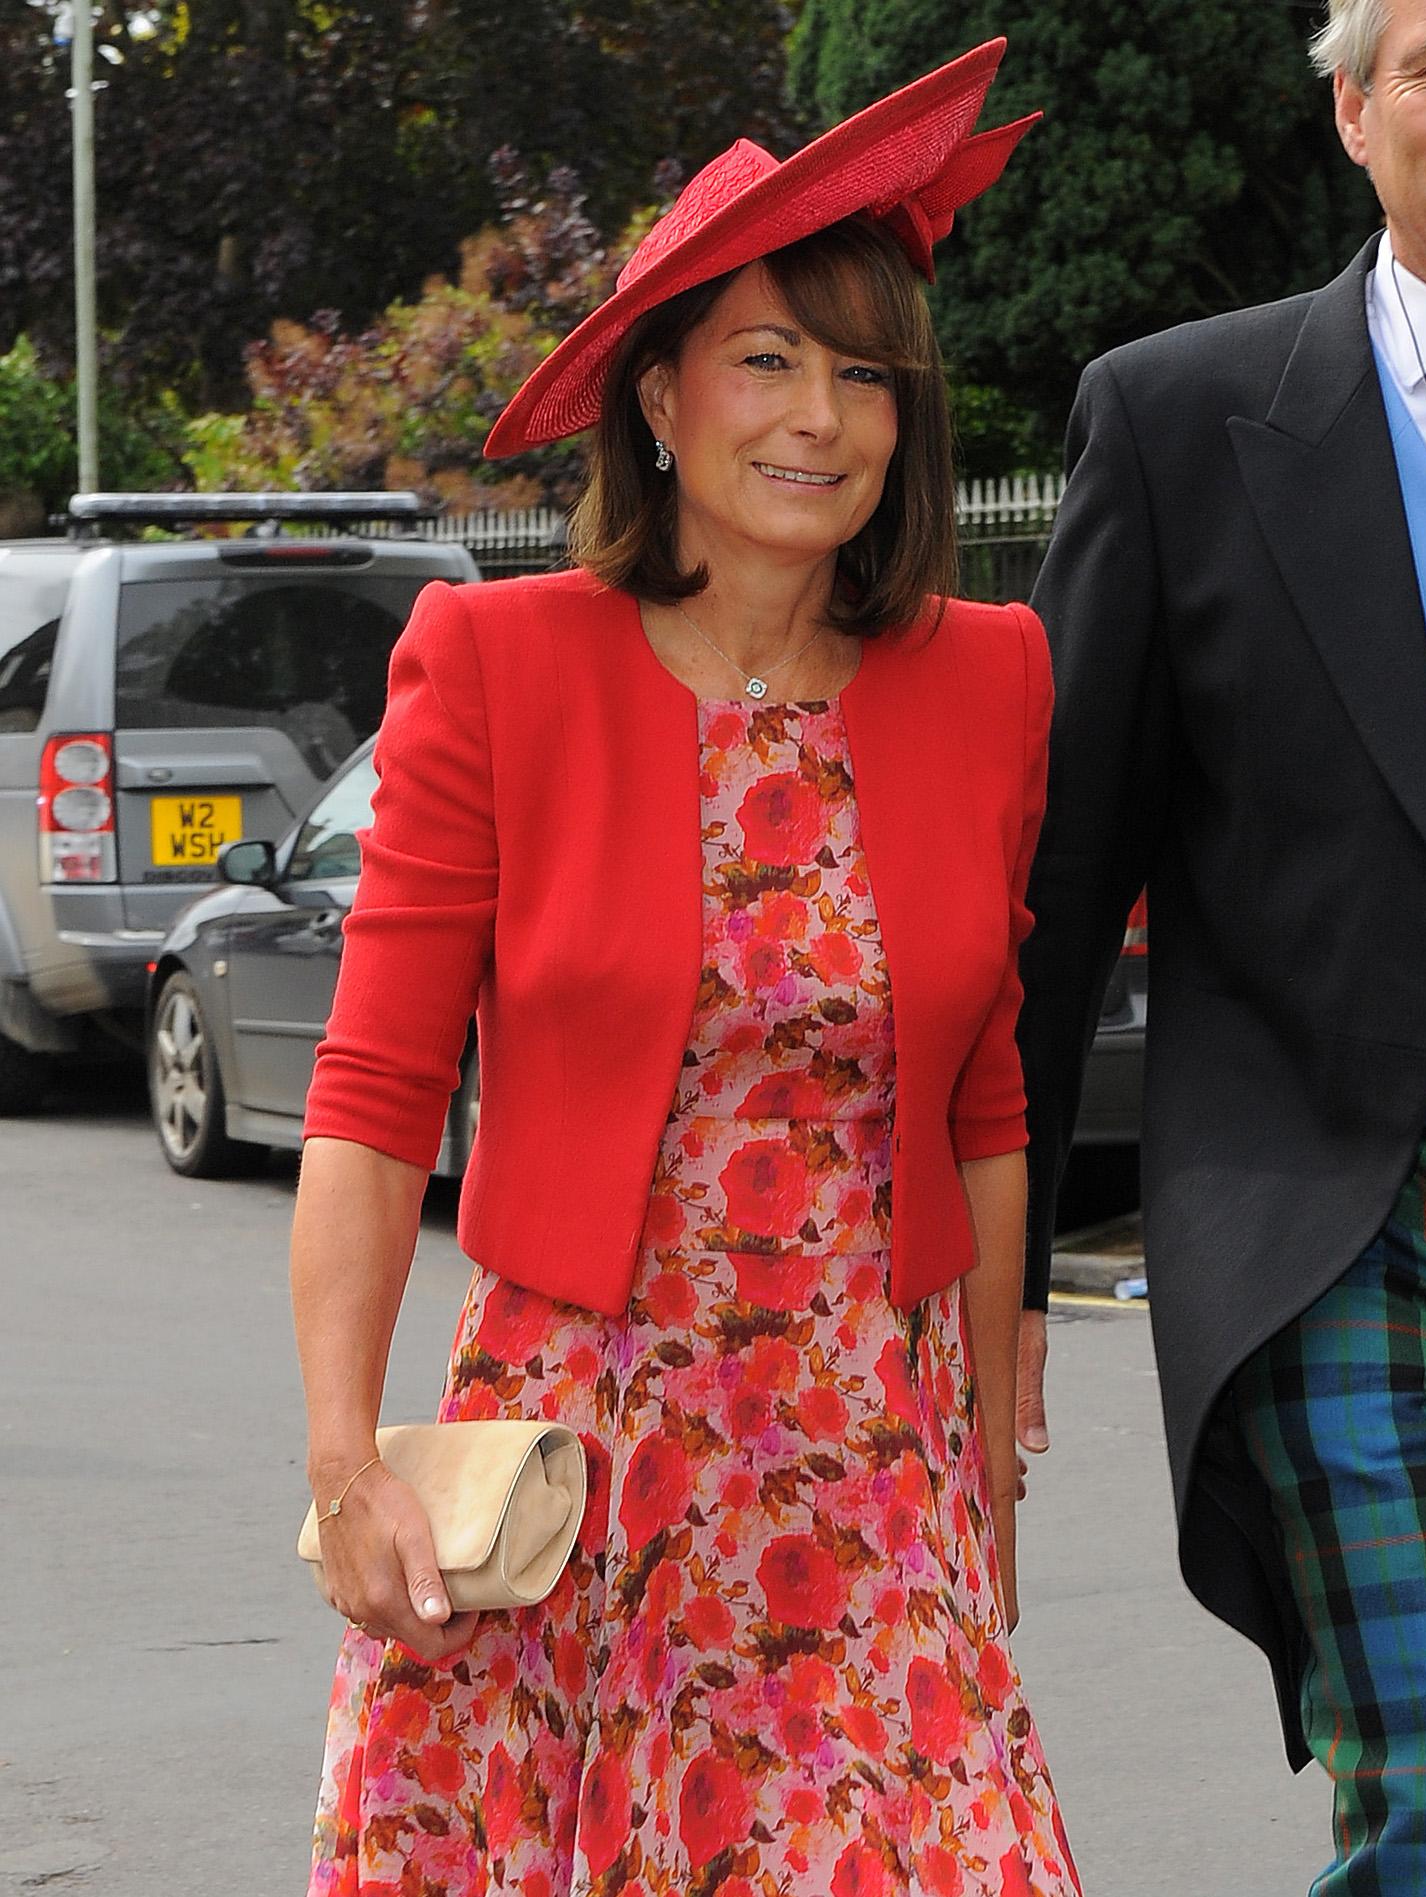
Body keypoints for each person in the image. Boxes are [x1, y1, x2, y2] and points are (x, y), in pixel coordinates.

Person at [292, 40, 1081, 1897]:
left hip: (870, 1486)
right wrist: (346, 1461)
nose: (822, 415)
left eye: (867, 371)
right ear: (658, 398)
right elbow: (378, 1088)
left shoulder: (993, 678)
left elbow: (985, 1103)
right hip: (578, 1475)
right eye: (767, 358)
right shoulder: (499, 664)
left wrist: (981, 1488)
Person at [1018, 0, 1426, 1890]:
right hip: (1341, 1214)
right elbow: (1054, 891)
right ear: (1351, 111)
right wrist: (987, 1273)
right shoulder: (1179, 418)